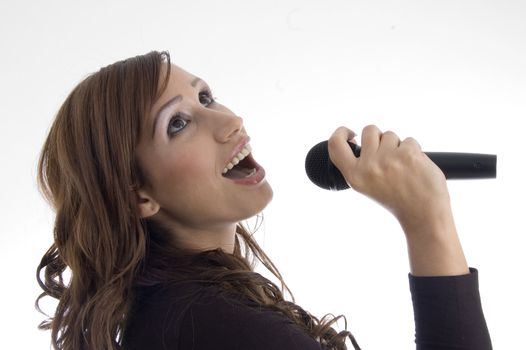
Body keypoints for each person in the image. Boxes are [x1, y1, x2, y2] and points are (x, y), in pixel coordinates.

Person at [35, 50, 492, 350]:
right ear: (139, 194)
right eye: (178, 123)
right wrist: (428, 220)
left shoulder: (179, 313)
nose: (230, 120)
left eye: (206, 96)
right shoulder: (210, 324)